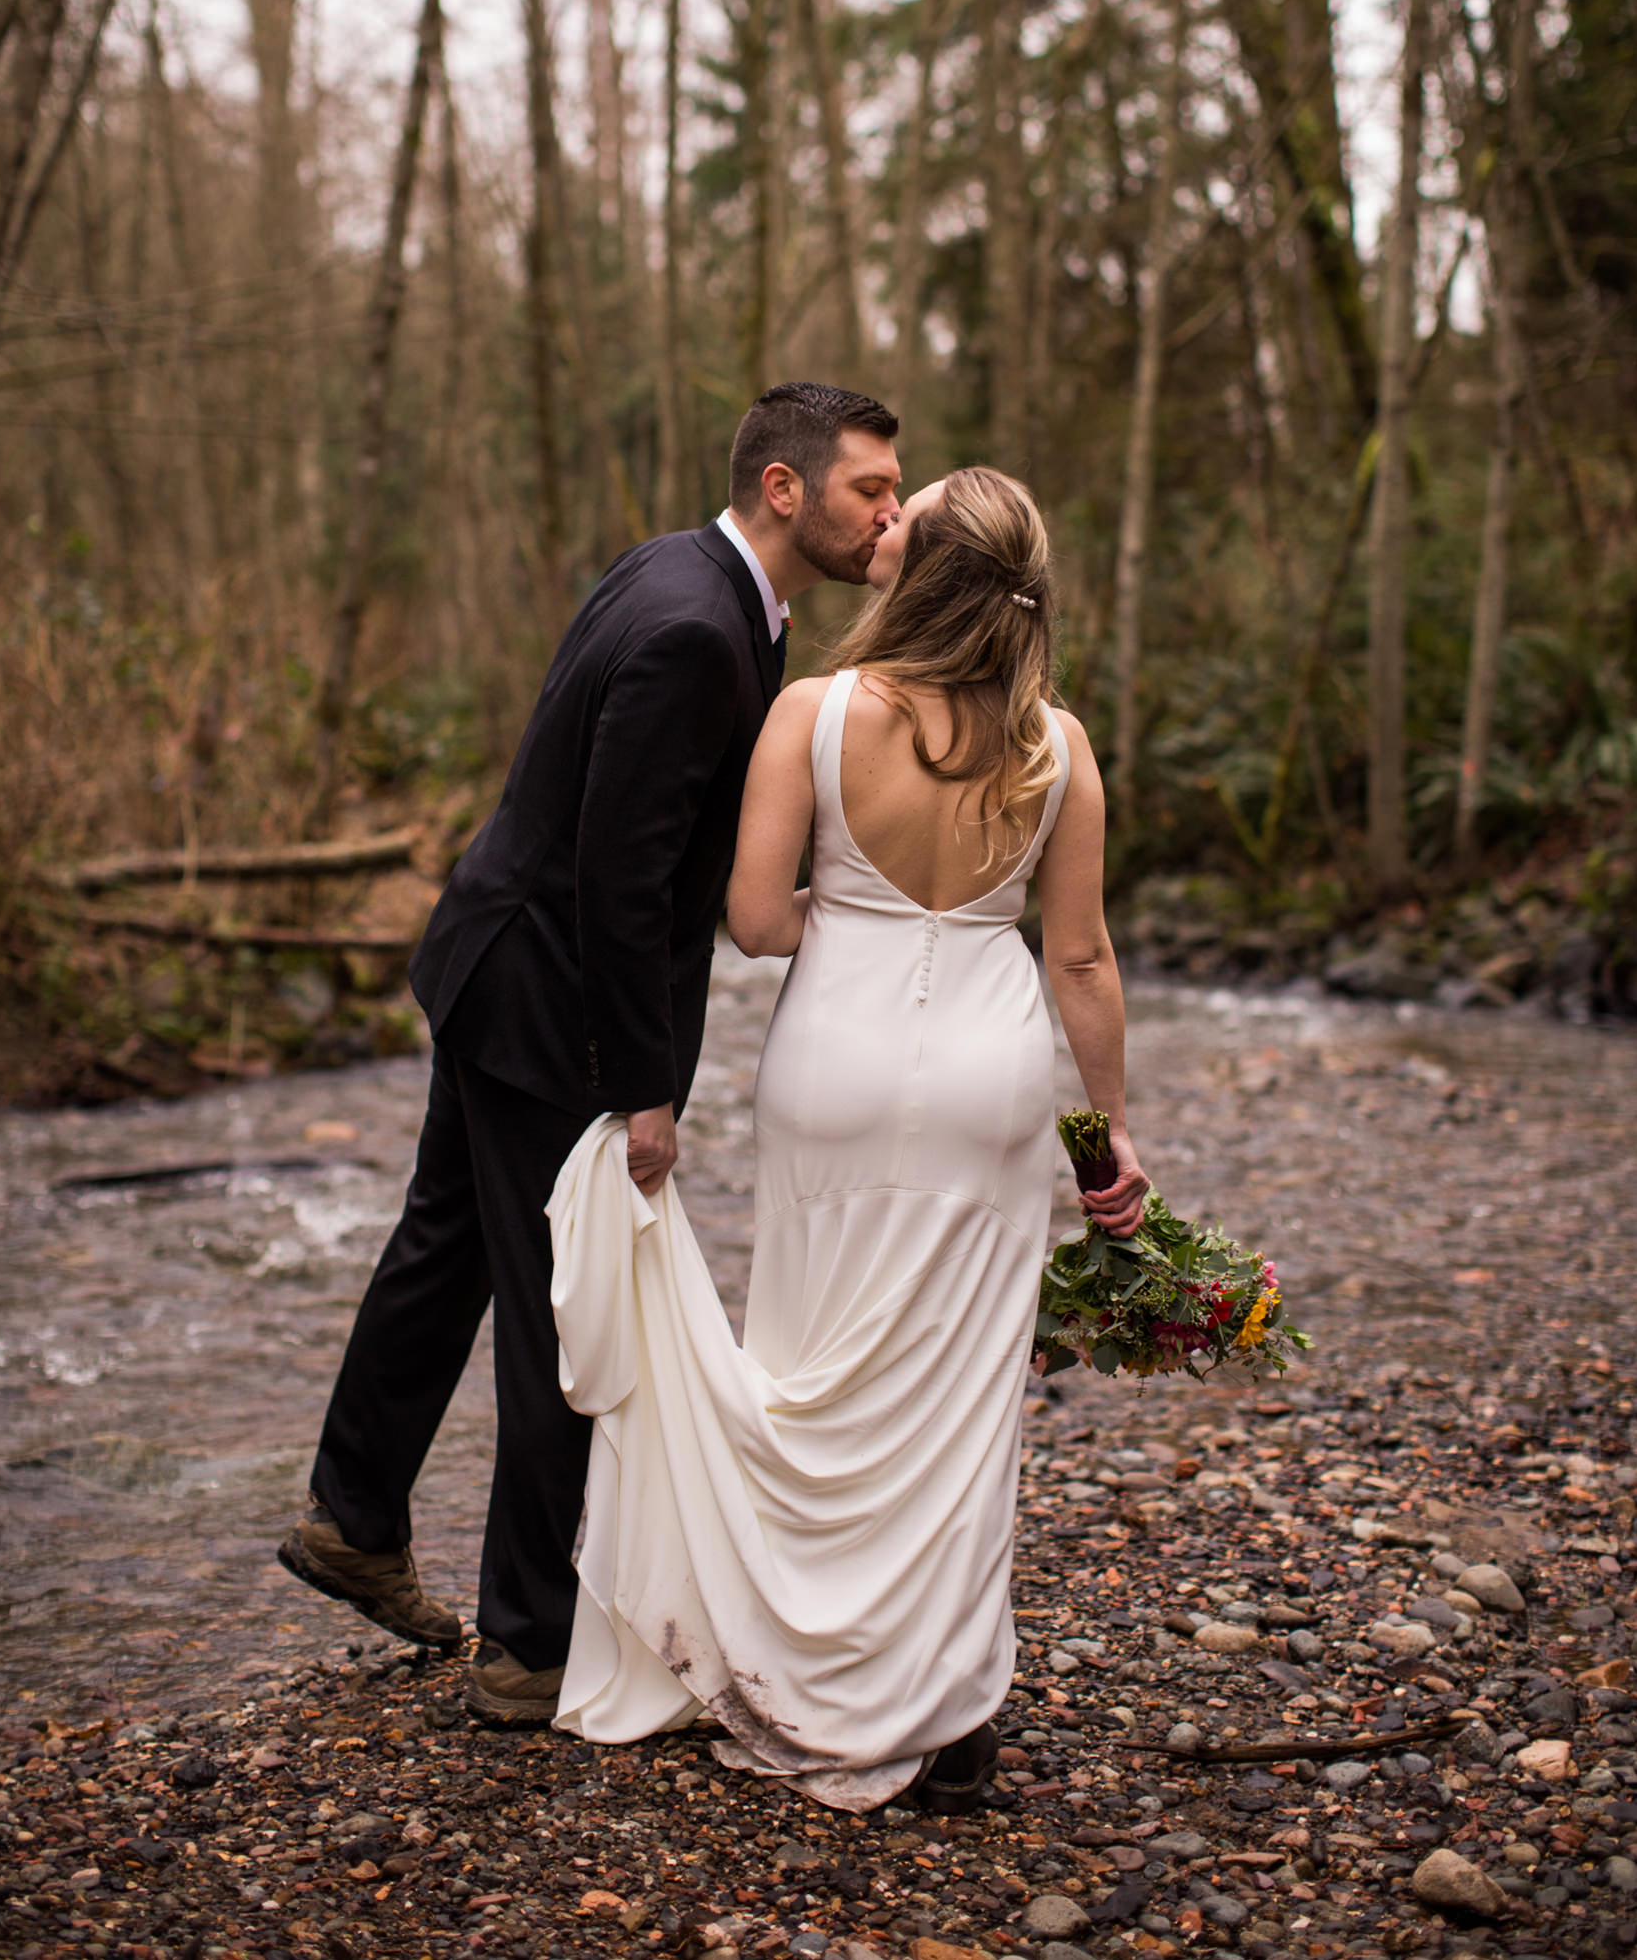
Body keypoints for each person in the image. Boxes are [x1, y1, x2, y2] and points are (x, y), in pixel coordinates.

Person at [276, 382, 902, 1725]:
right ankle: (526, 1643)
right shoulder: (695, 629)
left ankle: (353, 1516)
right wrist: (641, 1087)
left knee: (446, 1249)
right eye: (873, 489)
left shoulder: (687, 574)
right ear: (787, 490)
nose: (890, 512)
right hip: (553, 1000)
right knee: (569, 1304)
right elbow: (619, 879)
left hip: (498, 962)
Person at [547, 465, 1148, 1811]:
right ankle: (946, 1714)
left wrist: (859, 918)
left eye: (900, 515)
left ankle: (793, 1666)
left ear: (915, 567)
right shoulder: (1060, 746)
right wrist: (1104, 1140)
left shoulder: (811, 715)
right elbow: (1085, 958)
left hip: (833, 1057)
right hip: (992, 1073)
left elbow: (754, 916)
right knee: (958, 1399)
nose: (877, 522)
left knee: (811, 1365)